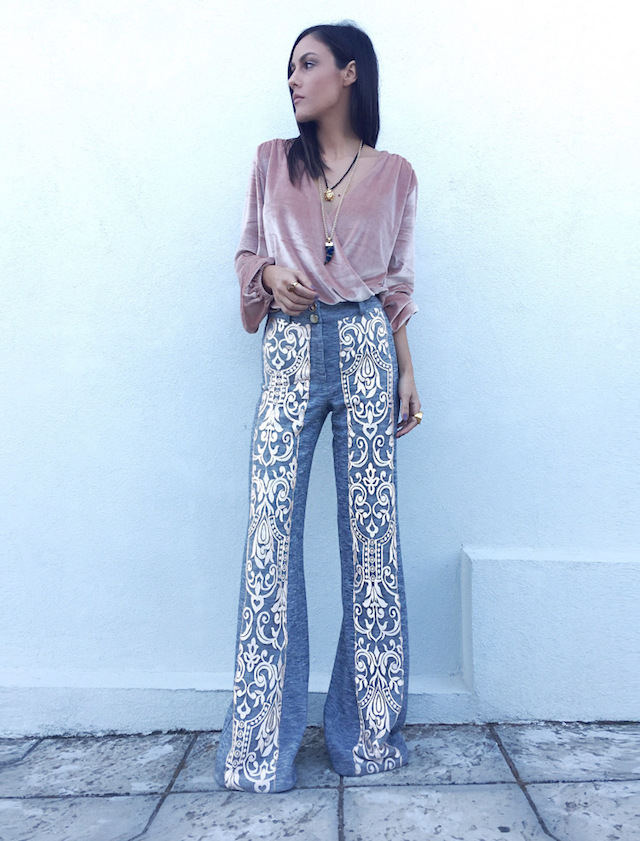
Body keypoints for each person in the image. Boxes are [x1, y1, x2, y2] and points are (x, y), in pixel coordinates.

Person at [214, 21, 422, 793]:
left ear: (350, 72)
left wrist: (407, 372)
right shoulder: (272, 161)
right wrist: (269, 276)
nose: (294, 79)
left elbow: (397, 284)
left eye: (308, 64)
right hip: (292, 350)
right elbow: (246, 251)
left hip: (367, 347)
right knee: (271, 536)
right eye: (290, 69)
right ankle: (258, 746)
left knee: (371, 539)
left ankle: (366, 736)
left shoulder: (396, 174)